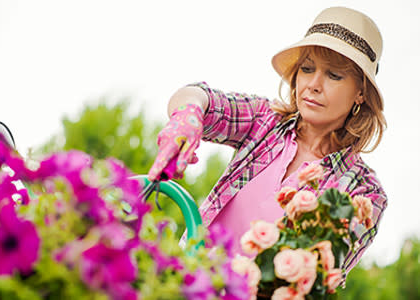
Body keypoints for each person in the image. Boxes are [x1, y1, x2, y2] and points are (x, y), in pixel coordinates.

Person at [147, 6, 387, 285]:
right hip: (182, 283)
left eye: (334, 75)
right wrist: (187, 114)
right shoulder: (265, 123)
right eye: (307, 69)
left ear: (360, 92)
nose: (314, 84)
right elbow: (199, 97)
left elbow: (317, 278)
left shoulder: (363, 192)